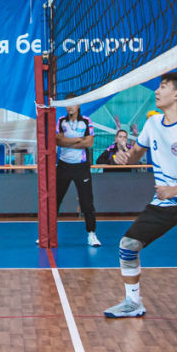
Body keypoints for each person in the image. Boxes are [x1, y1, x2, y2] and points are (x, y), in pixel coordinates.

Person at [102, 74, 177, 325]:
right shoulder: (152, 124)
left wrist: (175, 190)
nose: (156, 91)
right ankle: (133, 302)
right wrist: (124, 158)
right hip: (164, 201)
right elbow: (135, 154)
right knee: (128, 245)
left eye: (163, 87)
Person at [54, 103, 101, 247]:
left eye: (72, 104)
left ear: (78, 105)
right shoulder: (61, 121)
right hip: (63, 166)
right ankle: (48, 234)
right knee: (55, 200)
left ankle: (91, 234)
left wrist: (67, 142)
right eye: (67, 105)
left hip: (81, 167)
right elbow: (57, 140)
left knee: (87, 202)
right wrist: (78, 139)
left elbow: (89, 142)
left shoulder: (86, 121)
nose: (70, 107)